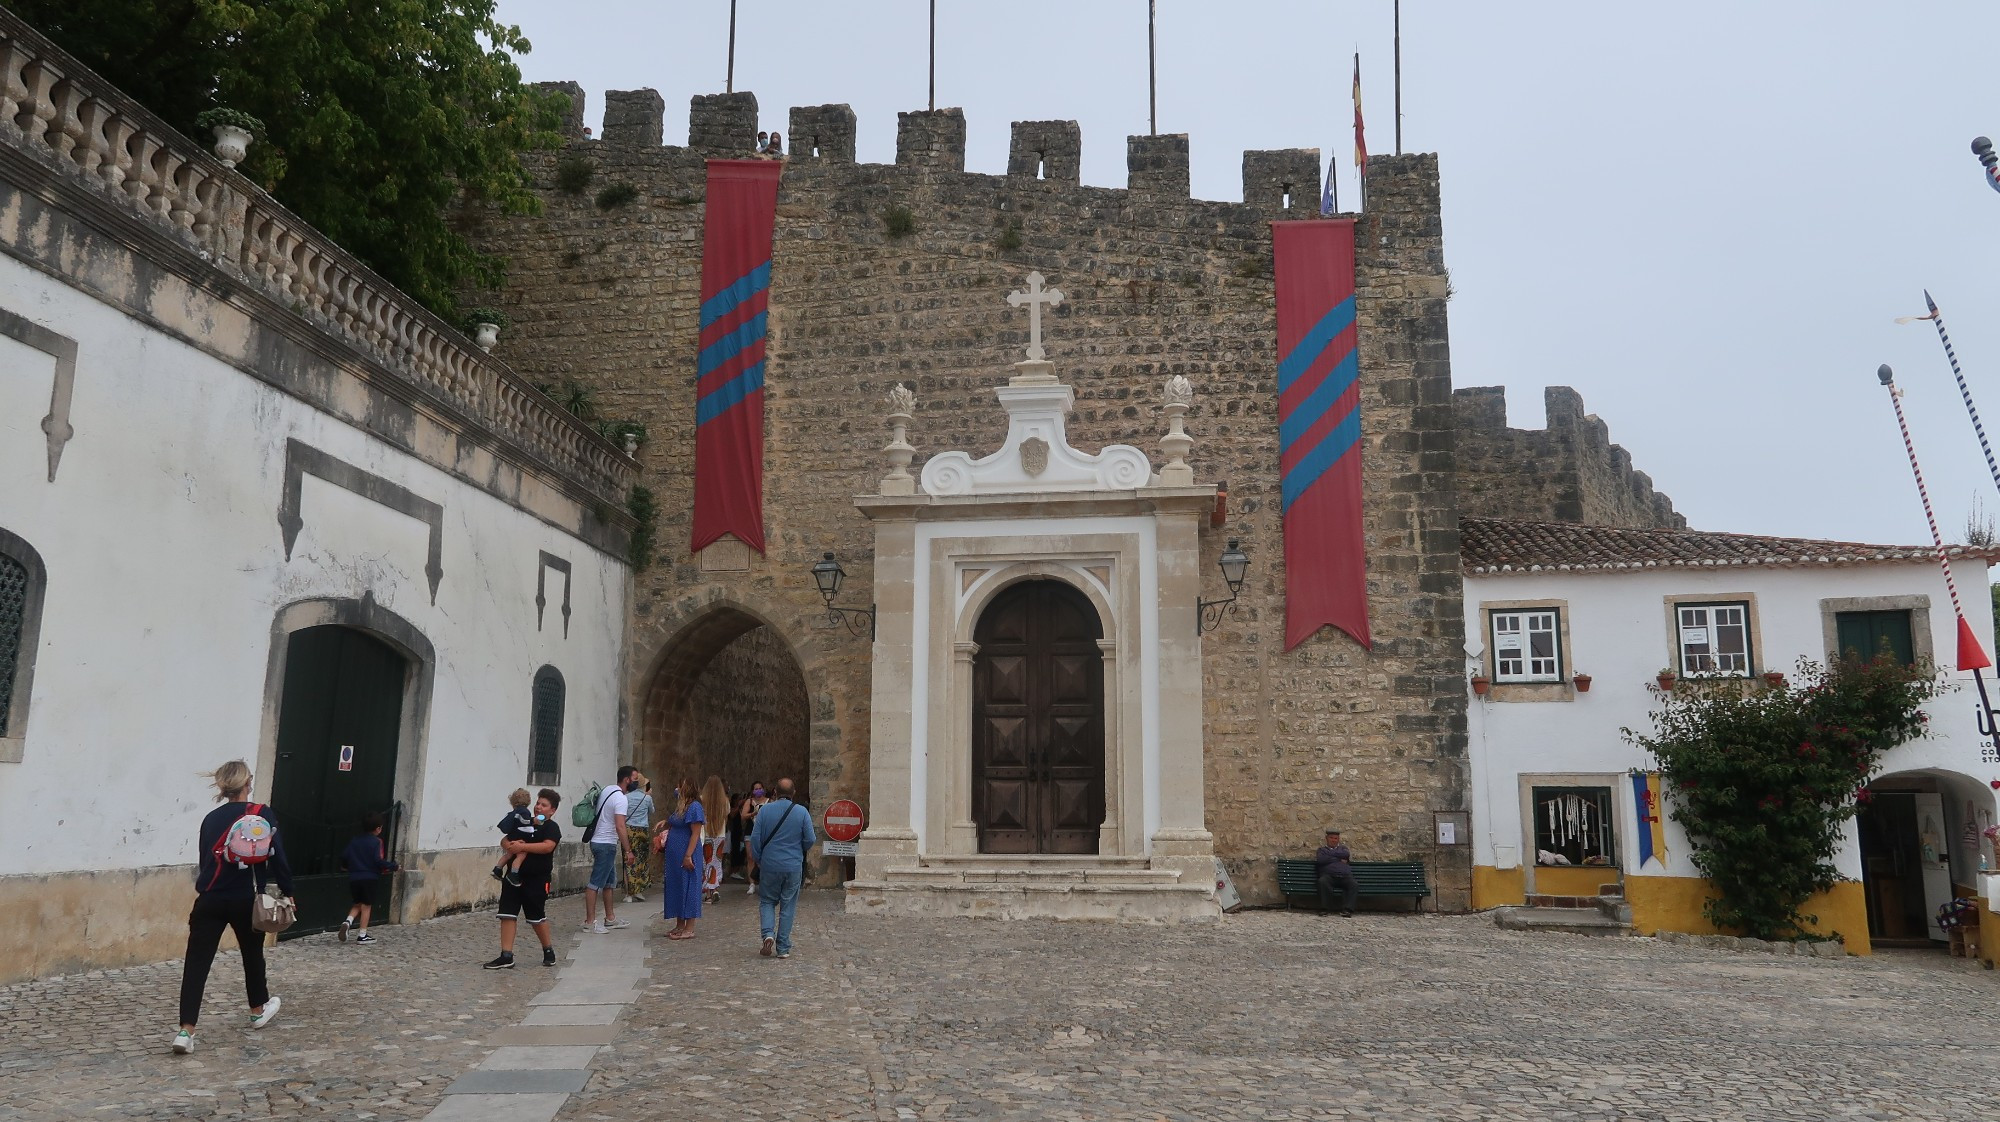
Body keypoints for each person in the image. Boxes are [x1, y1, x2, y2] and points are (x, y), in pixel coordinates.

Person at [173, 760, 294, 1055]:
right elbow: (278, 858)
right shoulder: (261, 814)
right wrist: (288, 892)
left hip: (210, 898)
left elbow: (206, 860)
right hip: (245, 898)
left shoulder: (210, 818)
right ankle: (257, 1009)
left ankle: (185, 1032)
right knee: (252, 954)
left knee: (196, 964)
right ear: (246, 784)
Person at [487, 789, 562, 969]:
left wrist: (524, 846)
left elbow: (547, 847)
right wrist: (511, 846)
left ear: (552, 810)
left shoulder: (551, 827)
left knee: (536, 916)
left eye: (544, 805)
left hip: (536, 879)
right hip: (513, 877)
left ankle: (548, 949)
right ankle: (506, 955)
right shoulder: (524, 821)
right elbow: (505, 840)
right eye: (538, 803)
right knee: (507, 914)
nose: (538, 807)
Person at [749, 776, 816, 959]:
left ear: (775, 793)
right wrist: (798, 850)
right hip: (793, 864)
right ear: (793, 793)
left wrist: (759, 858)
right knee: (788, 904)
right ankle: (783, 947)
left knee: (767, 900)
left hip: (769, 863)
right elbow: (810, 839)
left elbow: (755, 838)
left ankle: (768, 933)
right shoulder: (802, 812)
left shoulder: (764, 811)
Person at [582, 766, 635, 934]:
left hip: (600, 841)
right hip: (606, 844)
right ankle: (590, 922)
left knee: (609, 883)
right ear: (627, 780)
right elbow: (620, 826)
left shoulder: (608, 790)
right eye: (635, 779)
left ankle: (610, 918)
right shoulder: (621, 799)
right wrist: (628, 850)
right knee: (595, 883)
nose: (637, 783)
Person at [655, 777, 705, 939]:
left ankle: (689, 928)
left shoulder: (695, 807)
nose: (676, 789)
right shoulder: (681, 806)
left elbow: (695, 834)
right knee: (677, 886)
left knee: (689, 886)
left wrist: (688, 855)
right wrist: (666, 822)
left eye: (679, 786)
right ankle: (679, 924)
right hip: (674, 855)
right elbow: (677, 822)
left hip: (686, 853)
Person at [338, 811, 399, 945]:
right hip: (369, 877)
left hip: (354, 878)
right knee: (366, 906)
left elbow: (344, 855)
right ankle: (362, 934)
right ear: (378, 829)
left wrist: (345, 867)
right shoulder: (376, 842)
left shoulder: (355, 840)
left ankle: (348, 921)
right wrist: (393, 866)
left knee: (357, 903)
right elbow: (377, 860)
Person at [491, 787, 534, 886]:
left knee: (508, 855)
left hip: (511, 837)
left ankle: (497, 869)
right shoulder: (525, 812)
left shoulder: (513, 812)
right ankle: (514, 874)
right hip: (519, 839)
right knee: (521, 856)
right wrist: (533, 821)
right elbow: (525, 823)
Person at [624, 776, 655, 904]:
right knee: (641, 861)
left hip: (629, 830)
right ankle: (638, 889)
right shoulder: (647, 798)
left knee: (628, 860)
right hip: (642, 830)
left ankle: (628, 893)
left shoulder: (626, 797)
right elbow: (652, 811)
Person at [1315, 828, 1359, 917]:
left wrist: (1330, 856)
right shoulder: (1322, 850)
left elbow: (1346, 855)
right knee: (1322, 882)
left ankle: (1347, 910)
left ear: (1338, 839)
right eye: (1331, 838)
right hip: (1329, 876)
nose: (1333, 840)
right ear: (1326, 838)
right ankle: (1325, 909)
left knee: (1353, 884)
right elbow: (1321, 860)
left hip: (1344, 876)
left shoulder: (1343, 848)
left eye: (1335, 838)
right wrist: (1338, 858)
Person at [699, 775, 729, 903]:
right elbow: (726, 818)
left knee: (706, 864)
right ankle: (715, 888)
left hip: (706, 836)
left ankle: (709, 894)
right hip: (720, 836)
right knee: (716, 863)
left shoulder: (701, 800)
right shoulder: (725, 801)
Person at [741, 781, 769, 894]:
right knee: (750, 857)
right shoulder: (750, 802)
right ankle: (751, 883)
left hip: (764, 833)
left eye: (760, 788)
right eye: (756, 789)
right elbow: (743, 815)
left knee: (764, 858)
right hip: (751, 831)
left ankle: (764, 882)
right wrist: (753, 813)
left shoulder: (769, 802)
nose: (758, 790)